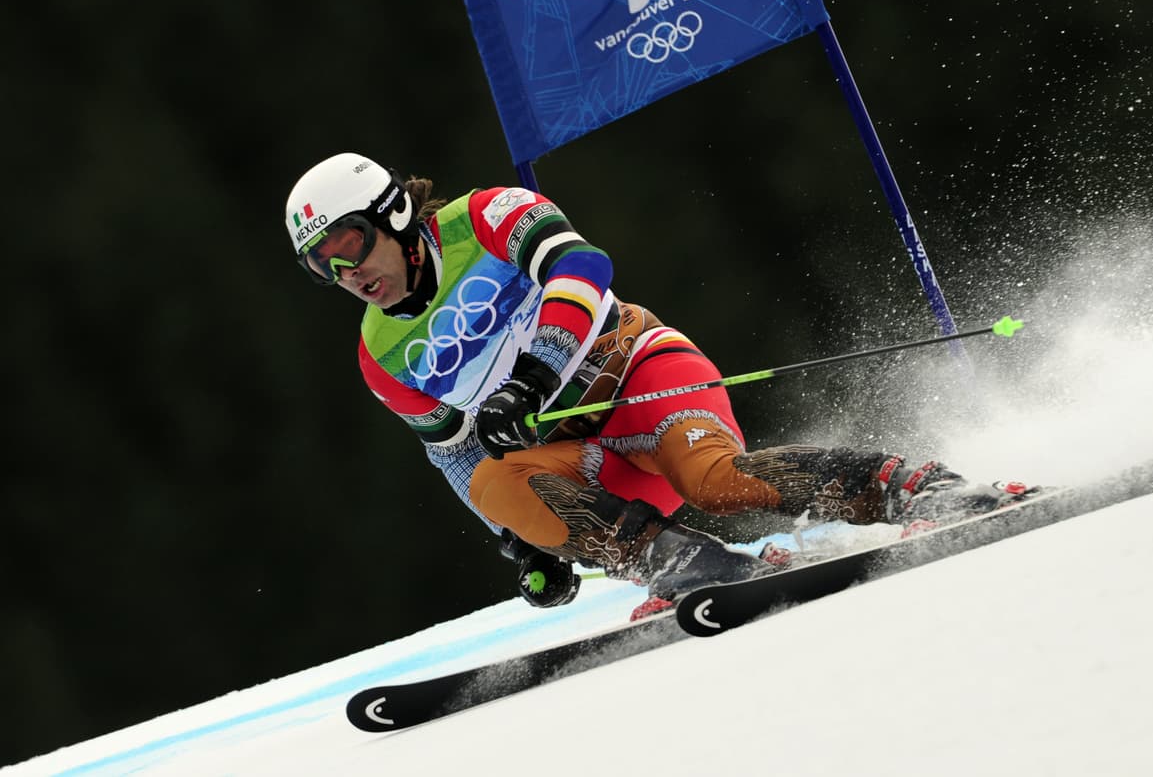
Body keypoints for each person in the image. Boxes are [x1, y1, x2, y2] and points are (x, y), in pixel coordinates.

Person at [285, 152, 1033, 617]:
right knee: (495, 487)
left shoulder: (485, 216)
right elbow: (453, 456)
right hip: (575, 455)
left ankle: (911, 485)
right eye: (322, 264)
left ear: (394, 212)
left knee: (714, 480)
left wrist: (537, 373)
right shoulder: (379, 355)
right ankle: (683, 562)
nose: (346, 272)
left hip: (636, 373)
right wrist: (525, 546)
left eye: (348, 242)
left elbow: (582, 267)